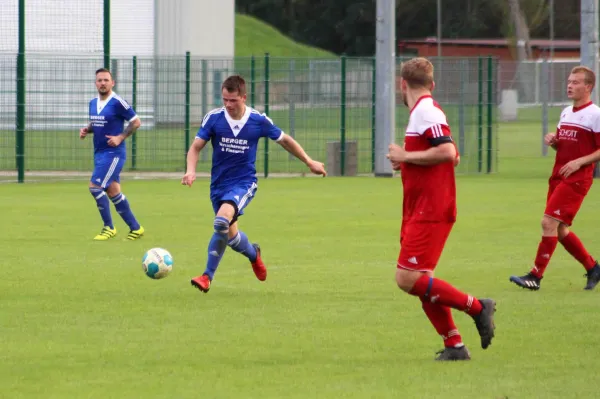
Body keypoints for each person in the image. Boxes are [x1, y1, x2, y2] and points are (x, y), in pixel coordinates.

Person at [386, 57, 496, 361]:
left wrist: (406, 156)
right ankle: (455, 346)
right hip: (420, 207)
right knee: (423, 280)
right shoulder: (424, 113)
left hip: (431, 209)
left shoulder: (425, 110)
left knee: (407, 278)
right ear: (432, 84)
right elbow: (453, 153)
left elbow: (447, 152)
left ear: (402, 84)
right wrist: (408, 158)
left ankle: (477, 307)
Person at [182, 75, 327, 293]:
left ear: (244, 97)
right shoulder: (214, 118)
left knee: (221, 221)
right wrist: (190, 171)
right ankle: (253, 254)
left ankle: (206, 276)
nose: (228, 105)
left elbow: (285, 140)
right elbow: (195, 148)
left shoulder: (258, 121)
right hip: (218, 186)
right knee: (231, 237)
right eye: (225, 100)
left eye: (233, 100)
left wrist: (309, 161)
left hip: (244, 183)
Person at [510, 66, 600, 291]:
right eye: (569, 81)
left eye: (576, 82)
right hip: (558, 175)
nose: (570, 85)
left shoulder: (596, 114)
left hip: (577, 178)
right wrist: (554, 141)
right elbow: (564, 144)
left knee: (548, 222)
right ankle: (593, 268)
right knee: (558, 230)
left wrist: (580, 162)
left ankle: (535, 276)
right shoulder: (566, 112)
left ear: (588, 87)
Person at [79, 68, 144, 241]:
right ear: (95, 83)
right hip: (99, 153)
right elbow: (97, 123)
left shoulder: (118, 102)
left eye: (106, 80)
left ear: (112, 83)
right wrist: (87, 129)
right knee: (114, 192)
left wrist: (121, 137)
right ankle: (136, 228)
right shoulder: (93, 103)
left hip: (114, 154)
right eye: (99, 80)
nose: (102, 83)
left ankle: (108, 227)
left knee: (95, 186)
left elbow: (136, 122)